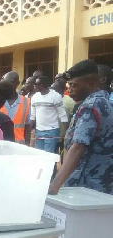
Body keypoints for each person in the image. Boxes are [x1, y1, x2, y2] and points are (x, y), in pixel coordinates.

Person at [49, 59, 113, 195]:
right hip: (103, 181)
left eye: (74, 85)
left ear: (90, 84)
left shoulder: (90, 107)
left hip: (86, 183)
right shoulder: (105, 101)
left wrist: (54, 185)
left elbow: (78, 147)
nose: (69, 89)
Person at [30, 75, 69, 153]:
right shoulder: (34, 97)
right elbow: (33, 115)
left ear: (42, 85)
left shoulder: (55, 96)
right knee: (39, 154)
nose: (34, 86)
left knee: (48, 155)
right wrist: (30, 128)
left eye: (36, 84)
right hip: (39, 131)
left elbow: (63, 115)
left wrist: (65, 132)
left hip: (52, 131)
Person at [1, 71, 31, 144]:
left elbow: (27, 127)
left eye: (11, 82)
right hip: (1, 144)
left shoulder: (26, 102)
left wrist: (27, 145)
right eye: (5, 82)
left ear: (17, 83)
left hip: (19, 145)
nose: (7, 85)